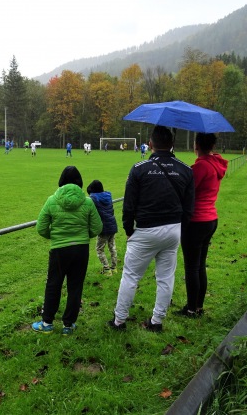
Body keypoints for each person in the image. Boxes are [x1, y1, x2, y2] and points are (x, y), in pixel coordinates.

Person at [109, 126, 194, 333]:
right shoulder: (185, 169)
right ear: (172, 144)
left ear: (150, 143)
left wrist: (129, 229)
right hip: (173, 230)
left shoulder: (139, 168)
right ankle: (157, 321)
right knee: (165, 277)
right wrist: (178, 226)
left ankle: (119, 320)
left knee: (130, 277)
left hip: (146, 231)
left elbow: (129, 204)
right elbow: (189, 207)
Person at [32, 166, 103, 336]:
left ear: (61, 181)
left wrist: (56, 237)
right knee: (75, 286)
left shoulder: (52, 200)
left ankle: (47, 322)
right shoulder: (87, 202)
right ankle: (68, 325)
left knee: (53, 284)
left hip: (59, 250)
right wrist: (84, 236)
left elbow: (41, 228)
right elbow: (97, 227)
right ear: (79, 182)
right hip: (81, 250)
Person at [179, 133, 228, 318]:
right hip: (210, 218)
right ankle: (198, 306)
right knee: (199, 265)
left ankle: (191, 309)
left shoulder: (201, 166)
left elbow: (186, 190)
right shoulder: (215, 163)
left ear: (196, 145)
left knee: (192, 267)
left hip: (196, 220)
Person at [87, 180, 118, 276]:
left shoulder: (94, 198)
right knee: (112, 247)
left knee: (99, 249)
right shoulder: (108, 196)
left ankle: (107, 269)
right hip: (112, 225)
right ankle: (114, 267)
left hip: (103, 228)